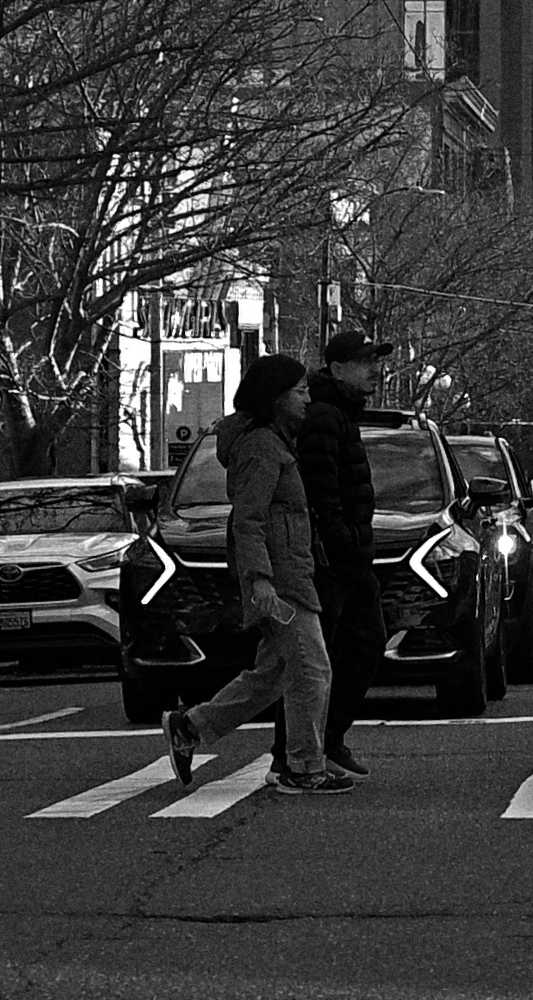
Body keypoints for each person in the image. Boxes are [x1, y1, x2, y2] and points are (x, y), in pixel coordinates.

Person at [162, 355, 345, 794]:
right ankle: (302, 768)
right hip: (280, 582)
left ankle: (190, 727)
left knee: (276, 674)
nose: (307, 397)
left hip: (290, 574)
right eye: (299, 390)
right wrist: (261, 581)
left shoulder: (274, 442)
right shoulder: (261, 445)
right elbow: (248, 520)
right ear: (276, 397)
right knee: (312, 671)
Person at [296, 329, 391, 777]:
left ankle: (321, 741)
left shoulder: (340, 414)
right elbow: (321, 490)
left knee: (355, 647)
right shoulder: (323, 417)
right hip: (333, 561)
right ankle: (305, 748)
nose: (374, 369)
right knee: (316, 659)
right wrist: (342, 542)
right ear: (337, 368)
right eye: (364, 361)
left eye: (376, 360)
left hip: (350, 558)